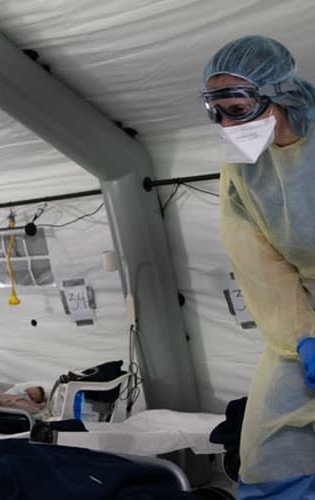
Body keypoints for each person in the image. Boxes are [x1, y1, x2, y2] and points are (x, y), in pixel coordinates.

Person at [202, 35, 315, 497]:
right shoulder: (243, 166)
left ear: (280, 94)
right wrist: (302, 336)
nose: (228, 124)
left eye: (237, 108)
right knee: (269, 441)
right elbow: (258, 262)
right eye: (216, 112)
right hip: (298, 314)